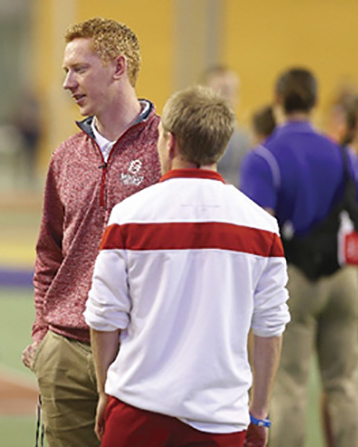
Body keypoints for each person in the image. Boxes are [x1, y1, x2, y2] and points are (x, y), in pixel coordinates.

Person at [85, 85, 289, 447]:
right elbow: (269, 328)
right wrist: (259, 411)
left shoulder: (129, 217)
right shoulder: (261, 226)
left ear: (170, 142)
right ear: (221, 146)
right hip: (220, 419)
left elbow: (105, 317)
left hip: (137, 410)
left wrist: (105, 393)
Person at [21, 17, 162, 447]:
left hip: (141, 348)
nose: (67, 83)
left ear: (118, 67)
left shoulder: (165, 149)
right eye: (67, 70)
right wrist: (42, 332)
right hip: (64, 351)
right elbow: (48, 252)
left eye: (79, 69)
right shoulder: (65, 157)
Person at [240, 68, 358, 447]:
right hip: (344, 280)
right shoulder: (343, 154)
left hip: (294, 280)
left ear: (277, 101)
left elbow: (258, 233)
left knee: (290, 383)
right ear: (314, 101)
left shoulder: (264, 157)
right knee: (343, 383)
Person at [200, 65, 251, 186]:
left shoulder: (247, 140)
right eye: (223, 91)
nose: (228, 98)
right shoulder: (190, 140)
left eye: (232, 92)